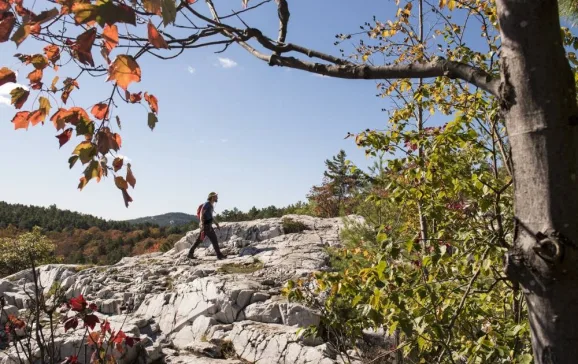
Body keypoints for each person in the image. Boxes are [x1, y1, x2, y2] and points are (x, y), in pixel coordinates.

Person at [187, 192, 227, 260]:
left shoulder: (210, 205)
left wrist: (216, 223)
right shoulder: (207, 204)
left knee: (199, 240)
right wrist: (202, 223)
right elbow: (202, 212)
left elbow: (211, 216)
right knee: (213, 239)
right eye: (215, 196)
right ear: (212, 197)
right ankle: (219, 255)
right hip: (206, 225)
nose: (217, 198)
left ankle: (190, 253)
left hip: (208, 226)